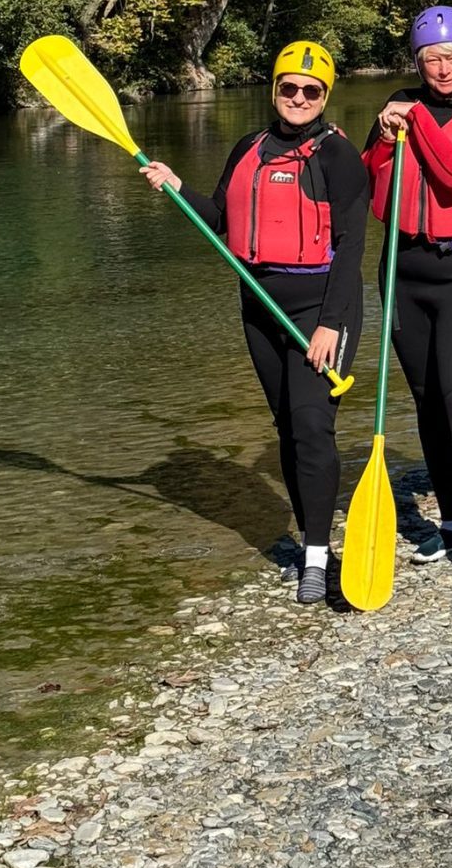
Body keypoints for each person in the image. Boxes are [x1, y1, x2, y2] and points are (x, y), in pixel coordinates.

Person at [140, 40, 368, 606]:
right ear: (274, 89)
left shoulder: (339, 157)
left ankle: (316, 556)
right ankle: (311, 537)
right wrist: (175, 186)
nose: (298, 97)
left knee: (313, 425)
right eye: (288, 87)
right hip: (259, 307)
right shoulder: (250, 146)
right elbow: (220, 217)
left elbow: (352, 245)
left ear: (325, 97)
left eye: (310, 90)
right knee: (288, 426)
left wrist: (331, 325)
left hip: (321, 310)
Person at [363, 6, 452, 585]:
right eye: (431, 59)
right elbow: (370, 181)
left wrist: (414, 118)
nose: (443, 68)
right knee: (427, 401)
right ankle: (450, 522)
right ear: (417, 61)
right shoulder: (398, 108)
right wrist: (380, 135)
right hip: (404, 269)